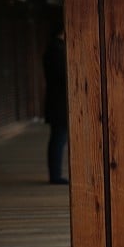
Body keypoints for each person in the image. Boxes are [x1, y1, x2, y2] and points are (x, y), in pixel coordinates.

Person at [43, 23, 69, 185]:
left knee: (58, 137)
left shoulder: (53, 49)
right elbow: (63, 75)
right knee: (59, 138)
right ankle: (55, 175)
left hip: (55, 100)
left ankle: (55, 174)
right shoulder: (57, 50)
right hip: (59, 102)